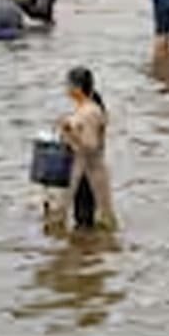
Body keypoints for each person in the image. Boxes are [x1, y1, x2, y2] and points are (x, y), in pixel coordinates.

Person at [52, 66, 116, 231]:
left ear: (77, 88)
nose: (66, 89)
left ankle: (88, 252)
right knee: (82, 218)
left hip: (89, 175)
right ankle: (87, 250)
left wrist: (69, 132)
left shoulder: (90, 112)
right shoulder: (83, 109)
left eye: (68, 85)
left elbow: (90, 145)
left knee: (86, 220)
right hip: (83, 172)